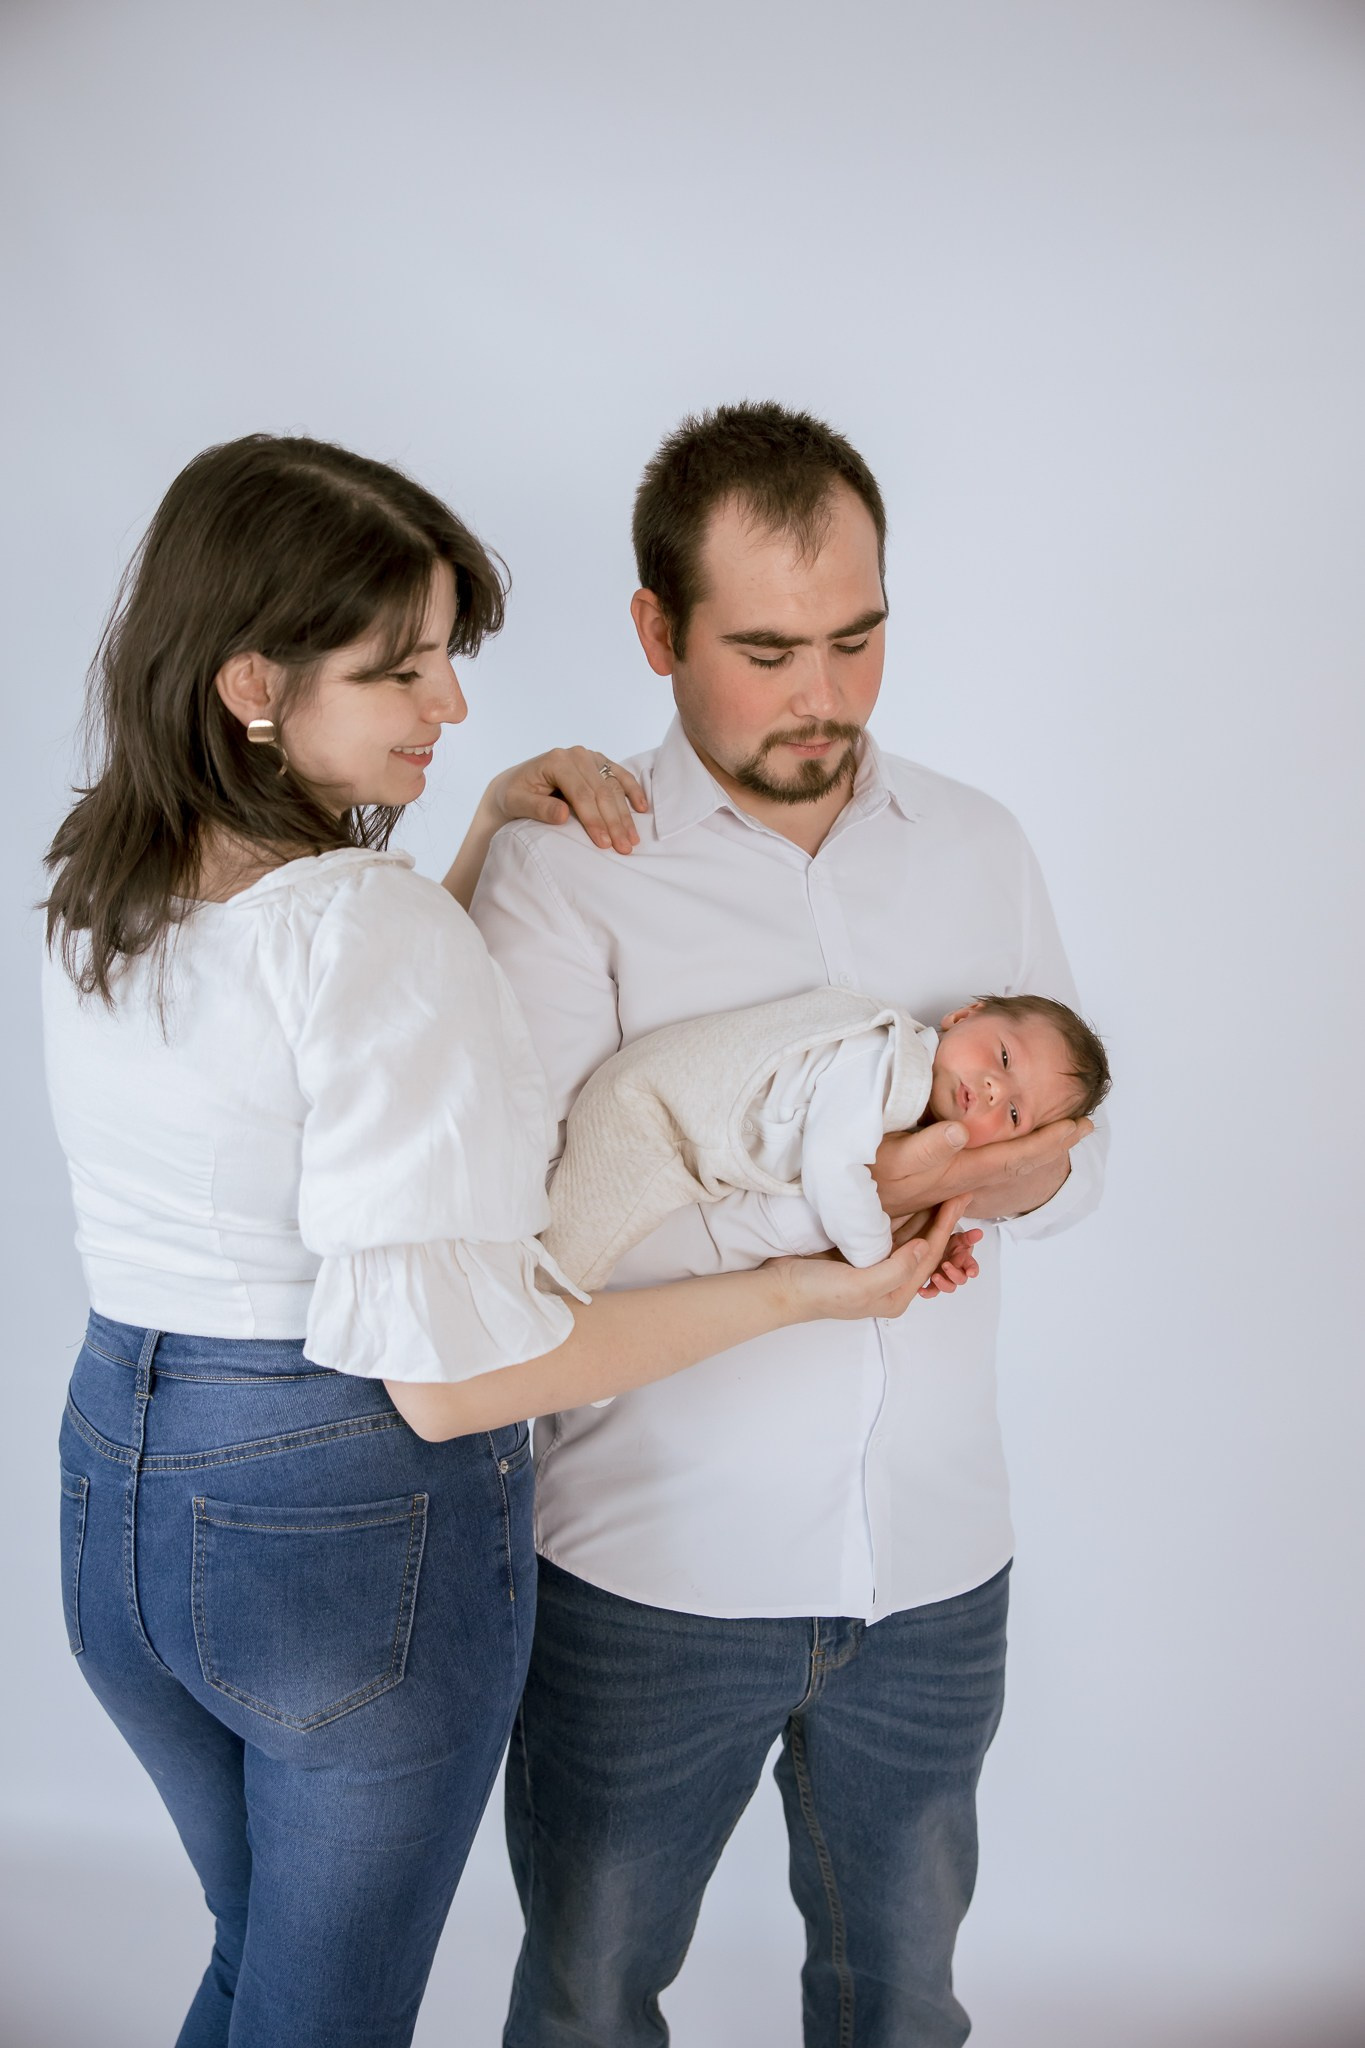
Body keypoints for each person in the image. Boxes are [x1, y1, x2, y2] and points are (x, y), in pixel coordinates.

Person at [41, 432, 964, 2048]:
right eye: (397, 669)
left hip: (120, 1485)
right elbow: (462, 1381)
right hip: (333, 1524)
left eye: (442, 656)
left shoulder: (105, 877)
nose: (450, 703)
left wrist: (463, 852)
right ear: (252, 682)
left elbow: (302, 1047)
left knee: (258, 1964)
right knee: (323, 2015)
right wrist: (808, 1288)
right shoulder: (368, 923)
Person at [469, 401, 1108, 2048]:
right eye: (765, 650)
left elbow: (1073, 1150)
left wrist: (1005, 1170)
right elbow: (538, 1236)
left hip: (938, 1572)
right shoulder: (567, 869)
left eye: (857, 636)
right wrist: (867, 1198)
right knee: (588, 2005)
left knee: (905, 2009)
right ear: (657, 632)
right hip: (646, 1578)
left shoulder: (978, 843)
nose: (824, 695)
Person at [544, 986, 1110, 1286]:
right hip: (652, 1115)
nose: (992, 1089)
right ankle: (550, 1348)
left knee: (571, 1266)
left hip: (671, 1123)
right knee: (561, 1275)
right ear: (964, 1016)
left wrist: (920, 1229)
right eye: (1004, 1057)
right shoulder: (891, 1063)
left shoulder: (908, 1103)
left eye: (1013, 1113)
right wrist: (880, 1257)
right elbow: (833, 1166)